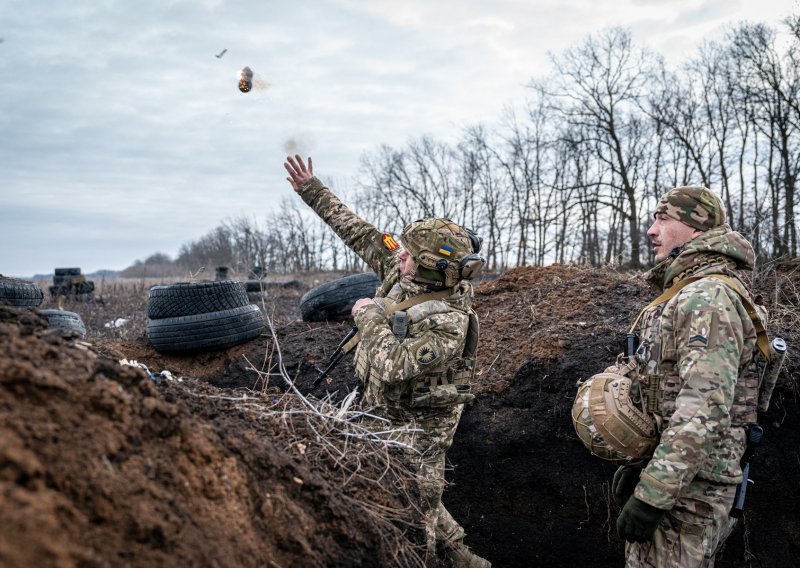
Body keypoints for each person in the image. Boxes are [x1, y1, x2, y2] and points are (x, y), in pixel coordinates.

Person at [284, 155, 491, 568]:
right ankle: (468, 561)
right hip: (381, 411)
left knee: (417, 519)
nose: (399, 255)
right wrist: (311, 189)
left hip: (421, 433)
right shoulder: (404, 270)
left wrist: (367, 314)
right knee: (414, 505)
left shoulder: (451, 322)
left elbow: (392, 364)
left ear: (434, 268)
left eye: (409, 254)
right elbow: (360, 232)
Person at [612, 186, 768, 567]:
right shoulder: (688, 292)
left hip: (690, 496)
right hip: (681, 484)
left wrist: (653, 494)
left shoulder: (708, 297)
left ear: (696, 230)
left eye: (663, 219)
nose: (651, 229)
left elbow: (704, 408)